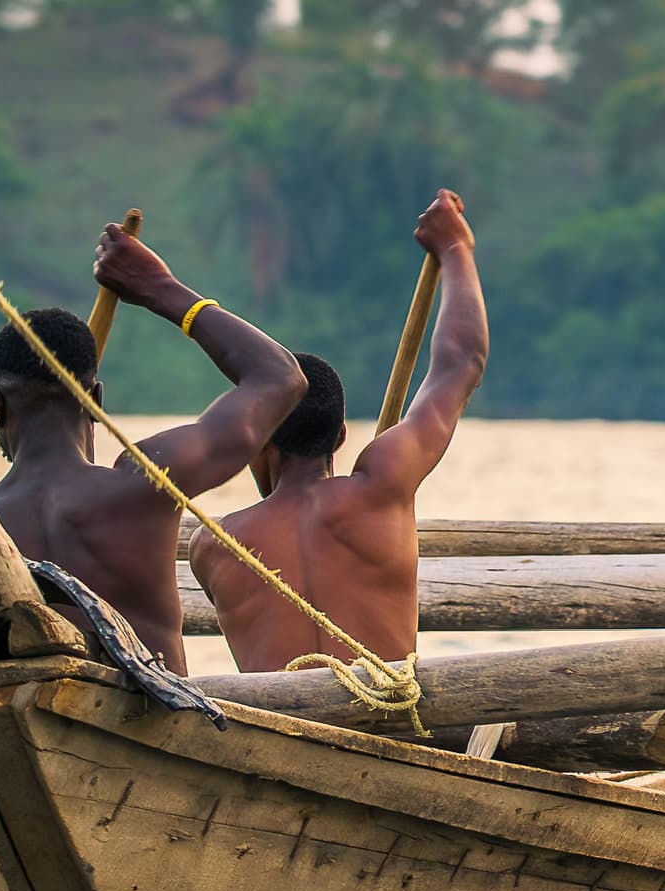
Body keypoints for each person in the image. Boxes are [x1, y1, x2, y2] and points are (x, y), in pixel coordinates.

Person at [191, 190, 490, 678]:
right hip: (395, 736)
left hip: (276, 744)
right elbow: (462, 363)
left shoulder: (214, 544)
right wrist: (456, 249)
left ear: (255, 442)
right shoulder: (383, 488)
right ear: (342, 436)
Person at [0, 220, 304, 669]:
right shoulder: (143, 483)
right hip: (154, 733)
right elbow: (280, 377)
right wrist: (159, 288)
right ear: (95, 400)